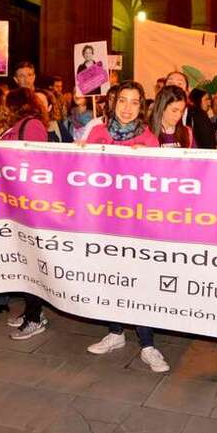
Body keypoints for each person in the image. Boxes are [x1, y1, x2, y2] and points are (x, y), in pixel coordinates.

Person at [82, 81, 168, 373]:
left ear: (141, 106)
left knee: (136, 280)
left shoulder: (148, 138)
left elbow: (158, 184)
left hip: (135, 223)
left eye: (134, 102)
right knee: (109, 278)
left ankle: (147, 344)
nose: (127, 108)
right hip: (102, 220)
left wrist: (145, 159)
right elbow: (80, 173)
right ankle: (115, 332)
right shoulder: (96, 133)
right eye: (122, 101)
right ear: (113, 102)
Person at [0, 88, 52, 339]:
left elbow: (38, 163)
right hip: (14, 205)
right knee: (23, 263)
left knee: (32, 263)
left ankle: (35, 316)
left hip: (28, 205)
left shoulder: (32, 125)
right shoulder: (16, 126)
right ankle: (31, 310)